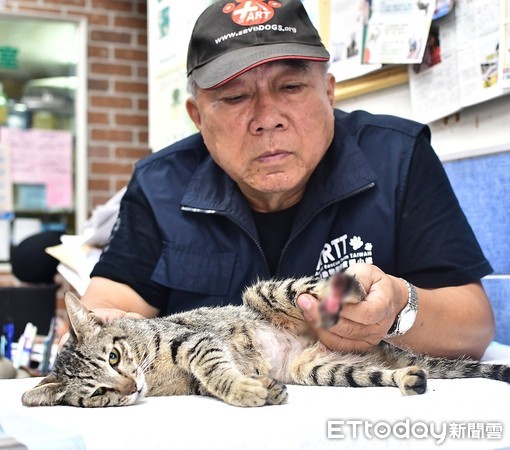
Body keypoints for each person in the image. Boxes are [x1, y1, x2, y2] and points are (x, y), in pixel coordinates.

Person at [79, 0, 494, 359]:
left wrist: (398, 311)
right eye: (235, 97)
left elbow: (473, 324)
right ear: (197, 117)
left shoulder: (397, 157)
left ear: (329, 93)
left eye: (291, 87)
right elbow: (109, 305)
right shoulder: (160, 185)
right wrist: (101, 329)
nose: (267, 118)